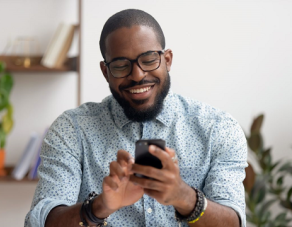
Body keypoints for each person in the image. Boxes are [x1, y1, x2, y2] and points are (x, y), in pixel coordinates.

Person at [25, 9, 247, 227]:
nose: (138, 75)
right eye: (121, 65)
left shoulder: (218, 129)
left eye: (149, 60)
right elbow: (39, 222)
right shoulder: (71, 129)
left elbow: (234, 222)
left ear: (167, 60)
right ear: (105, 72)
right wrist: (99, 207)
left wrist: (184, 197)